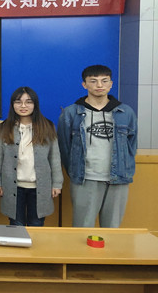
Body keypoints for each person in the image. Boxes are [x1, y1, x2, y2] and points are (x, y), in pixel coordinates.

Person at [58, 65, 137, 228]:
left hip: (118, 179)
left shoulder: (126, 112)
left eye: (104, 81)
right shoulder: (71, 113)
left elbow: (132, 146)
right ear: (84, 84)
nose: (99, 85)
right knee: (82, 227)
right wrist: (74, 171)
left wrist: (124, 168)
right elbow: (64, 147)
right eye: (93, 81)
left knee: (112, 228)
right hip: (84, 178)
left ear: (111, 84)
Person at [0, 87, 63, 226]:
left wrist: (57, 184)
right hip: (13, 186)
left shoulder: (47, 126)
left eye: (28, 102)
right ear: (13, 105)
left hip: (39, 186)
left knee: (36, 223)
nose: (23, 106)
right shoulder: (4, 127)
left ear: (35, 104)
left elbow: (54, 158)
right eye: (18, 102)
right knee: (16, 224)